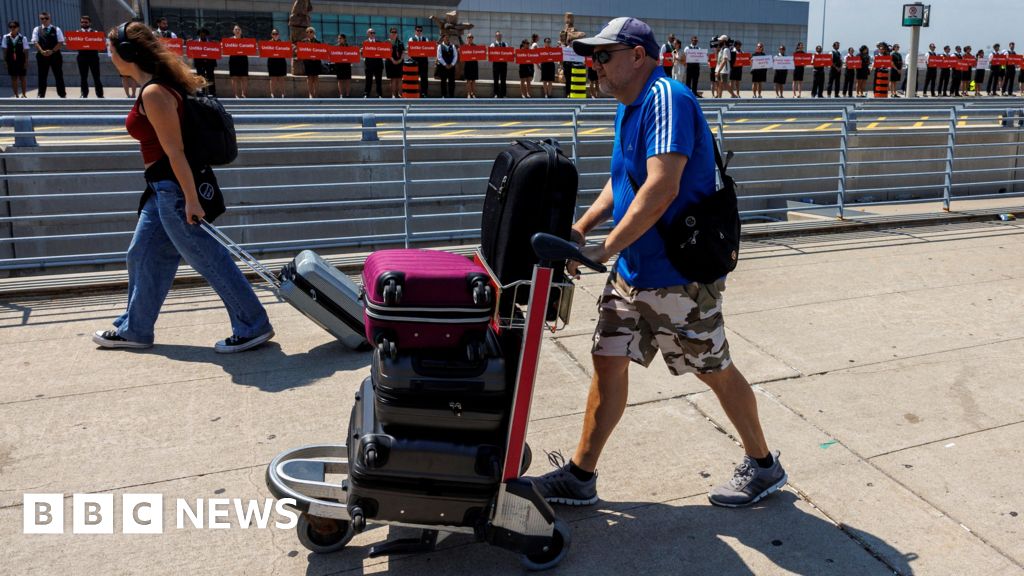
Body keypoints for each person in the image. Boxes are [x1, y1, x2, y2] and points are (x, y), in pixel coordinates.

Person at [528, 16, 787, 510]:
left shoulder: (666, 99)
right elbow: (623, 181)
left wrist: (607, 248)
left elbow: (662, 186)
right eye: (592, 58)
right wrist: (583, 228)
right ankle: (582, 475)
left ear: (637, 56)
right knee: (607, 363)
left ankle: (764, 466)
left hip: (677, 278)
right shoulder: (630, 107)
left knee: (715, 371)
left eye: (603, 56)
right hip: (634, 275)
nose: (594, 66)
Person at [94, 21, 273, 353]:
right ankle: (136, 328)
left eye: (111, 48)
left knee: (208, 257)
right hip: (162, 188)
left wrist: (191, 200)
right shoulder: (155, 86)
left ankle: (253, 324)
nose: (108, 54)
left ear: (128, 54)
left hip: (175, 190)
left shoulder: (154, 93)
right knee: (142, 254)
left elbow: (175, 151)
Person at [31, 12, 66, 98]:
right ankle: (41, 94)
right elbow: (35, 41)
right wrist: (42, 51)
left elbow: (61, 42)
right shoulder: (36, 29)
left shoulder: (56, 29)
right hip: (42, 56)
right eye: (42, 18)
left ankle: (62, 94)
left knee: (58, 75)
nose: (44, 20)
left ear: (49, 19)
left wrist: (52, 51)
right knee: (42, 76)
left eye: (46, 18)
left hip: (55, 56)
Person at [76, 15, 103, 98]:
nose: (84, 23)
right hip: (82, 57)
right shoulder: (77, 33)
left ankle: (100, 94)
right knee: (83, 77)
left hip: (93, 57)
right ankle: (84, 94)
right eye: (82, 22)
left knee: (96, 77)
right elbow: (74, 45)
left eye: (86, 22)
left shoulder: (95, 32)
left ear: (89, 23)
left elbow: (100, 46)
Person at [2, 20, 29, 98]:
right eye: (11, 27)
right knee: (14, 78)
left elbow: (26, 50)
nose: (12, 28)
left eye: (14, 27)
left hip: (21, 60)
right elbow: (4, 50)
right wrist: (5, 61)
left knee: (22, 77)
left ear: (18, 28)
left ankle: (24, 94)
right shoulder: (5, 37)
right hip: (11, 60)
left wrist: (26, 61)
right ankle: (16, 95)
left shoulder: (23, 38)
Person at [193, 28, 217, 97]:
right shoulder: (194, 43)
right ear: (199, 35)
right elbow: (192, 52)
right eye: (201, 33)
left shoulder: (211, 42)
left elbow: (214, 52)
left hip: (209, 63)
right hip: (199, 63)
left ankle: (212, 93)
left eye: (204, 33)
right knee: (200, 77)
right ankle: (201, 92)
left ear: (206, 34)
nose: (202, 35)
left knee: (210, 77)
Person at [299, 26, 321, 98]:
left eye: (311, 32)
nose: (309, 33)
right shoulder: (303, 42)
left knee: (316, 78)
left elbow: (321, 52)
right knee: (309, 78)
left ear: (314, 33)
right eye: (307, 32)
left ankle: (316, 94)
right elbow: (301, 52)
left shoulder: (318, 42)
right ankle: (311, 94)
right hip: (308, 63)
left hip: (316, 62)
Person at [408, 25, 429, 97]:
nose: (419, 32)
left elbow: (428, 50)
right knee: (414, 77)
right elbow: (410, 51)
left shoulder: (426, 39)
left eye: (420, 30)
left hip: (423, 61)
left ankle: (424, 93)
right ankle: (414, 92)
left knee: (424, 78)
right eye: (418, 30)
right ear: (415, 31)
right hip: (415, 61)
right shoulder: (411, 39)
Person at [228, 25, 248, 98]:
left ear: (241, 31)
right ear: (233, 31)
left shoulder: (245, 40)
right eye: (236, 29)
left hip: (243, 60)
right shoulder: (229, 40)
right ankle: (236, 95)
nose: (237, 31)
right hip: (233, 60)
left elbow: (250, 49)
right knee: (234, 77)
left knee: (244, 77)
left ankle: (244, 94)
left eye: (239, 29)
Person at [266, 29, 287, 98]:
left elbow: (286, 52)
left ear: (279, 35)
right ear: (271, 35)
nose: (275, 35)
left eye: (276, 34)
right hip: (272, 62)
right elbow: (265, 52)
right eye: (273, 34)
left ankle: (283, 94)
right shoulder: (268, 43)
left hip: (281, 62)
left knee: (281, 79)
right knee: (273, 79)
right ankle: (272, 94)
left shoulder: (282, 43)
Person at [363, 28, 383, 97]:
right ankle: (366, 94)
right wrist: (361, 51)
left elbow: (383, 52)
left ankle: (379, 94)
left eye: (374, 33)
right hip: (369, 65)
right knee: (368, 80)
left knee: (379, 81)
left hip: (378, 64)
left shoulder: (379, 42)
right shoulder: (365, 43)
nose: (373, 34)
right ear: (368, 34)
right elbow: (363, 54)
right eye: (371, 33)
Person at [385, 27, 404, 98]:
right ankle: (393, 94)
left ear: (397, 33)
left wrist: (400, 60)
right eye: (392, 32)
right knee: (393, 79)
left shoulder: (400, 42)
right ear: (390, 33)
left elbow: (402, 52)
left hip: (399, 62)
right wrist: (393, 60)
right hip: (390, 62)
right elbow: (386, 52)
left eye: (395, 32)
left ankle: (400, 93)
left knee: (399, 78)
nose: (394, 33)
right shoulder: (387, 42)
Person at [332, 34, 351, 98]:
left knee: (347, 80)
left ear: (344, 39)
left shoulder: (348, 46)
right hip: (339, 65)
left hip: (347, 65)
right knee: (340, 80)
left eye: (340, 38)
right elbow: (333, 56)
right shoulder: (336, 47)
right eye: (338, 38)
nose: (339, 40)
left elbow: (352, 55)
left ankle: (348, 94)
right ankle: (341, 94)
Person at [490, 30, 508, 97]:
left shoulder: (505, 44)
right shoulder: (492, 45)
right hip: (496, 65)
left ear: (501, 36)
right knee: (496, 80)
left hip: (503, 65)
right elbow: (490, 55)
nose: (499, 36)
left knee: (503, 80)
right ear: (495, 36)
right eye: (498, 35)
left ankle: (503, 94)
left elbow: (508, 53)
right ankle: (496, 93)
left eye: (500, 35)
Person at [464, 33, 479, 98]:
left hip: (474, 64)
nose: (470, 38)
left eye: (471, 37)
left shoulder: (475, 46)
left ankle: (473, 93)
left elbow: (479, 55)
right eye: (469, 37)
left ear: (472, 39)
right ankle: (468, 93)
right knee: (468, 80)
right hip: (467, 64)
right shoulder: (464, 47)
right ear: (467, 38)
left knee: (473, 80)